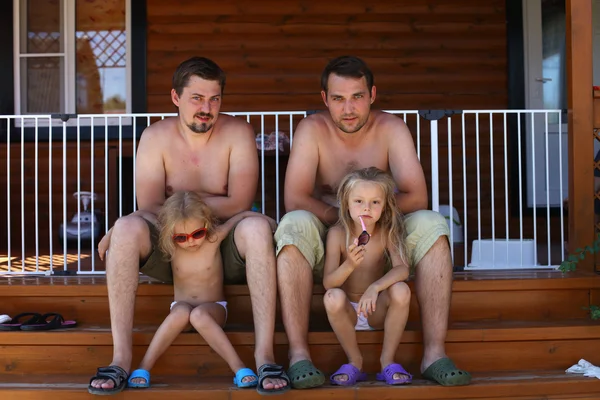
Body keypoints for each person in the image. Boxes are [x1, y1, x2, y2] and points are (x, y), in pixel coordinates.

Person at [88, 57, 289, 395]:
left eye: (214, 98)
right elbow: (149, 206)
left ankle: (265, 355)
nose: (206, 108)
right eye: (197, 98)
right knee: (125, 228)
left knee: (255, 228)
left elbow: (239, 202)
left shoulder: (238, 132)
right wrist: (141, 219)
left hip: (222, 246)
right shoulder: (154, 137)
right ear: (175, 97)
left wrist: (185, 207)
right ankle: (121, 358)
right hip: (173, 248)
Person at [274, 55, 471, 387]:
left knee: (433, 224)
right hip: (331, 231)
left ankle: (434, 353)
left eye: (357, 97)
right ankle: (298, 354)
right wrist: (347, 221)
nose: (348, 108)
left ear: (372, 94)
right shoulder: (312, 129)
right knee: (293, 222)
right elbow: (295, 198)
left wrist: (373, 221)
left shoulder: (391, 127)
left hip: (384, 229)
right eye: (338, 98)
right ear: (325, 99)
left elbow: (416, 196)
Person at [126, 191, 274, 389]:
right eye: (181, 237)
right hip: (180, 305)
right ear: (171, 234)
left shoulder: (214, 238)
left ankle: (239, 368)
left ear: (206, 224)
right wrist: (108, 236)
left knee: (198, 316)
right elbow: (142, 214)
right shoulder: (170, 243)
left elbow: (242, 215)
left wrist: (271, 222)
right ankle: (144, 367)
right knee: (180, 313)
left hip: (214, 308)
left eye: (197, 234)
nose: (190, 242)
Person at [323, 167, 412, 386]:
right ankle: (355, 361)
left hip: (375, 310)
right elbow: (328, 283)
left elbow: (403, 270)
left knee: (402, 289)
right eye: (359, 201)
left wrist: (375, 288)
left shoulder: (386, 232)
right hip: (348, 312)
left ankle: (387, 361)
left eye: (375, 202)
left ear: (385, 206)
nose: (367, 208)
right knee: (332, 297)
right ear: (346, 204)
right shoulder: (337, 234)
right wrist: (350, 264)